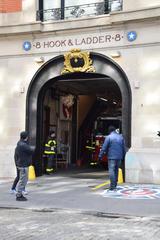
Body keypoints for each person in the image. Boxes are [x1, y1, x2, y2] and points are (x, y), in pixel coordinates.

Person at [98, 125, 126, 191]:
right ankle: (115, 184)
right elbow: (123, 148)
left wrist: (100, 156)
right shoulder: (120, 137)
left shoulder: (108, 137)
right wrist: (124, 156)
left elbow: (104, 148)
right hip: (119, 157)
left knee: (111, 171)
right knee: (116, 170)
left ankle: (112, 186)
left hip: (111, 157)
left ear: (109, 131)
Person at [15, 131, 34, 201]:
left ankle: (19, 194)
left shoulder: (19, 144)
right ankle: (19, 195)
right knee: (23, 180)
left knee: (22, 180)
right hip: (23, 165)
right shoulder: (23, 145)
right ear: (26, 137)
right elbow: (31, 151)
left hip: (21, 164)